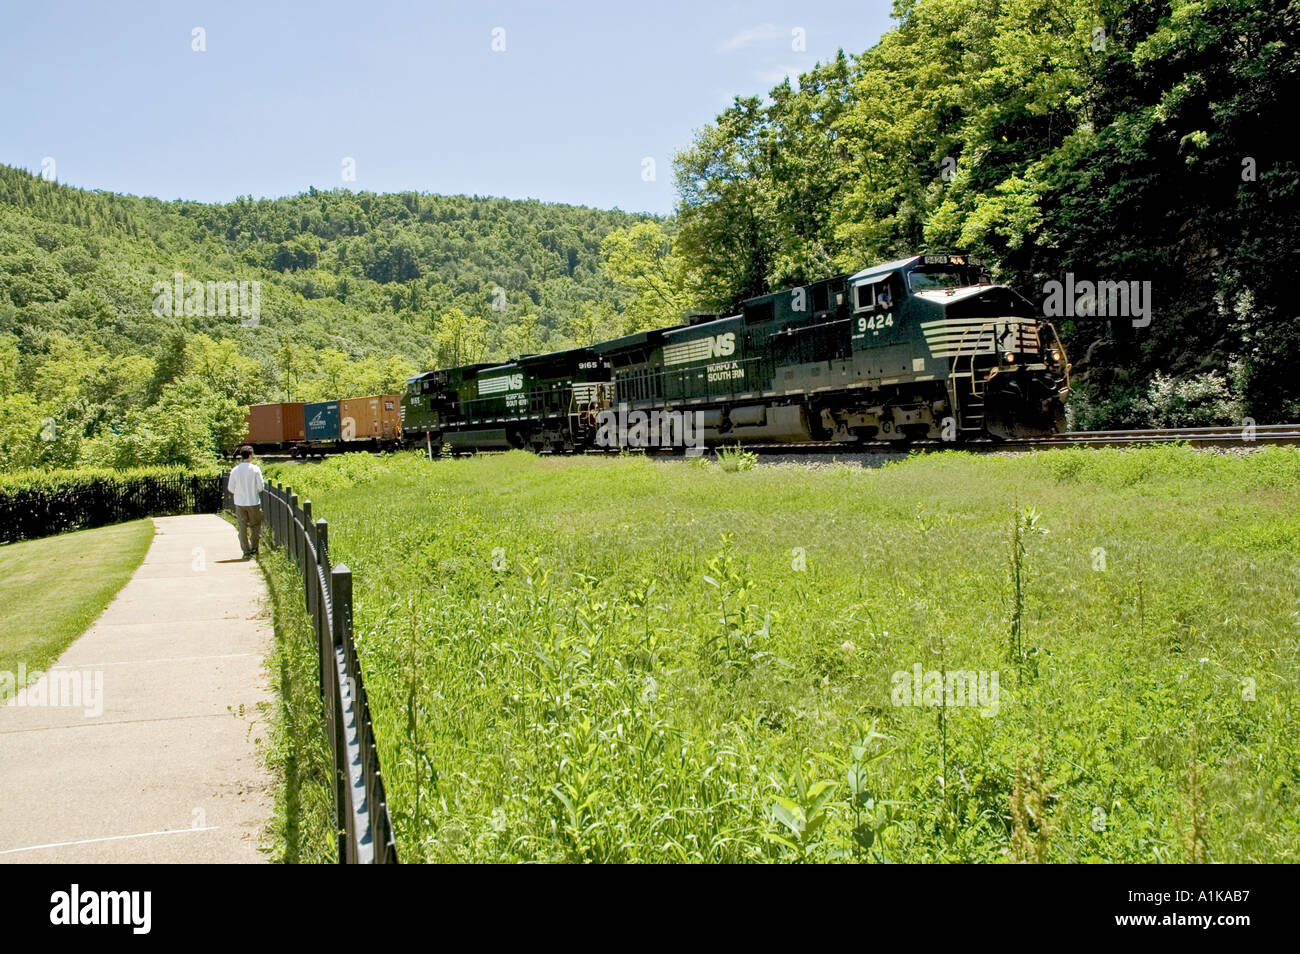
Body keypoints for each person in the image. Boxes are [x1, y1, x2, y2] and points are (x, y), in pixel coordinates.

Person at [227, 445, 265, 560]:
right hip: (253, 501)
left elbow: (230, 488)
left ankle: (245, 551)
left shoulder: (235, 470)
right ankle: (254, 549)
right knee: (255, 526)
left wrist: (239, 492)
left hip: (240, 502)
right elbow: (261, 487)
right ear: (250, 455)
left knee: (242, 527)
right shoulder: (255, 469)